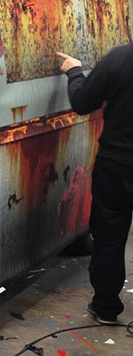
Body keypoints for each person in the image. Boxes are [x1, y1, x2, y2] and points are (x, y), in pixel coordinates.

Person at [57, 44, 133, 326]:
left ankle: (105, 307)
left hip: (117, 164)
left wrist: (75, 72)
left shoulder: (121, 58)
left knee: (110, 237)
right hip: (117, 163)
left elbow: (82, 102)